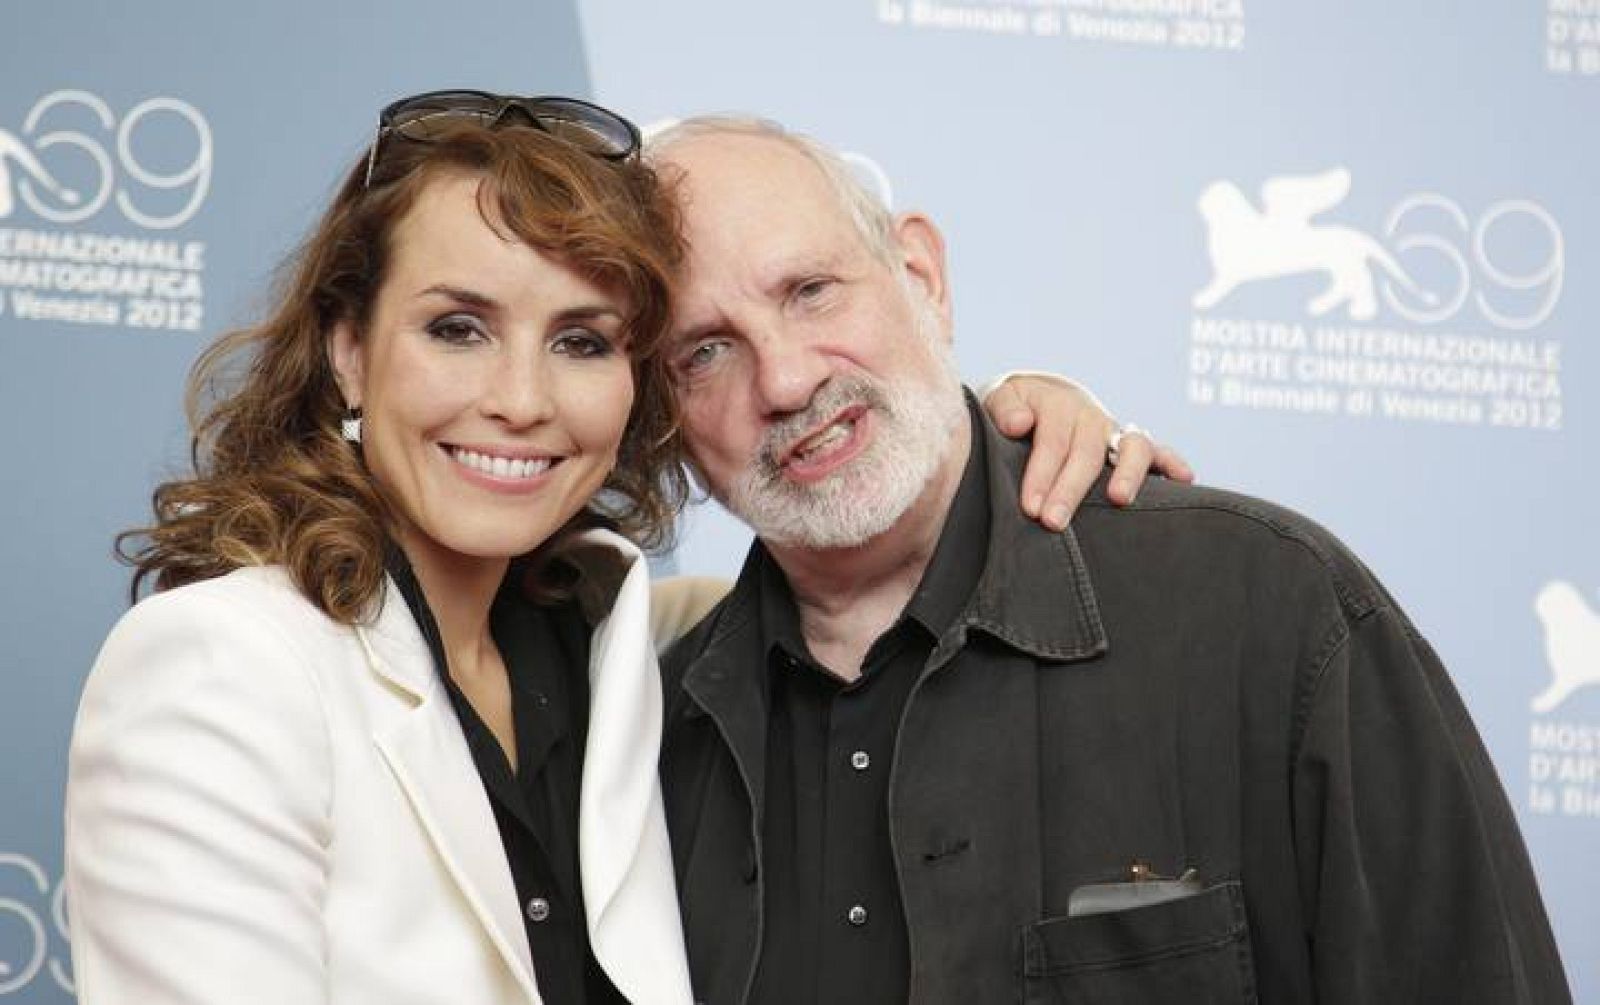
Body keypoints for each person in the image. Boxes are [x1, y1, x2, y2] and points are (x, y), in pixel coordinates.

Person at [64, 91, 1171, 1005]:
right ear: (350, 352)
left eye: (581, 341)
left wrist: (1015, 417)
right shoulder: (221, 666)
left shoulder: (638, 647)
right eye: (458, 327)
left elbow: (876, 537)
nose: (520, 399)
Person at [649, 118, 1573, 1005]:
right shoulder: (643, 749)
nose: (784, 379)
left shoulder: (1273, 612)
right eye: (705, 352)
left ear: (922, 274)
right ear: (659, 415)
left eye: (809, 291)